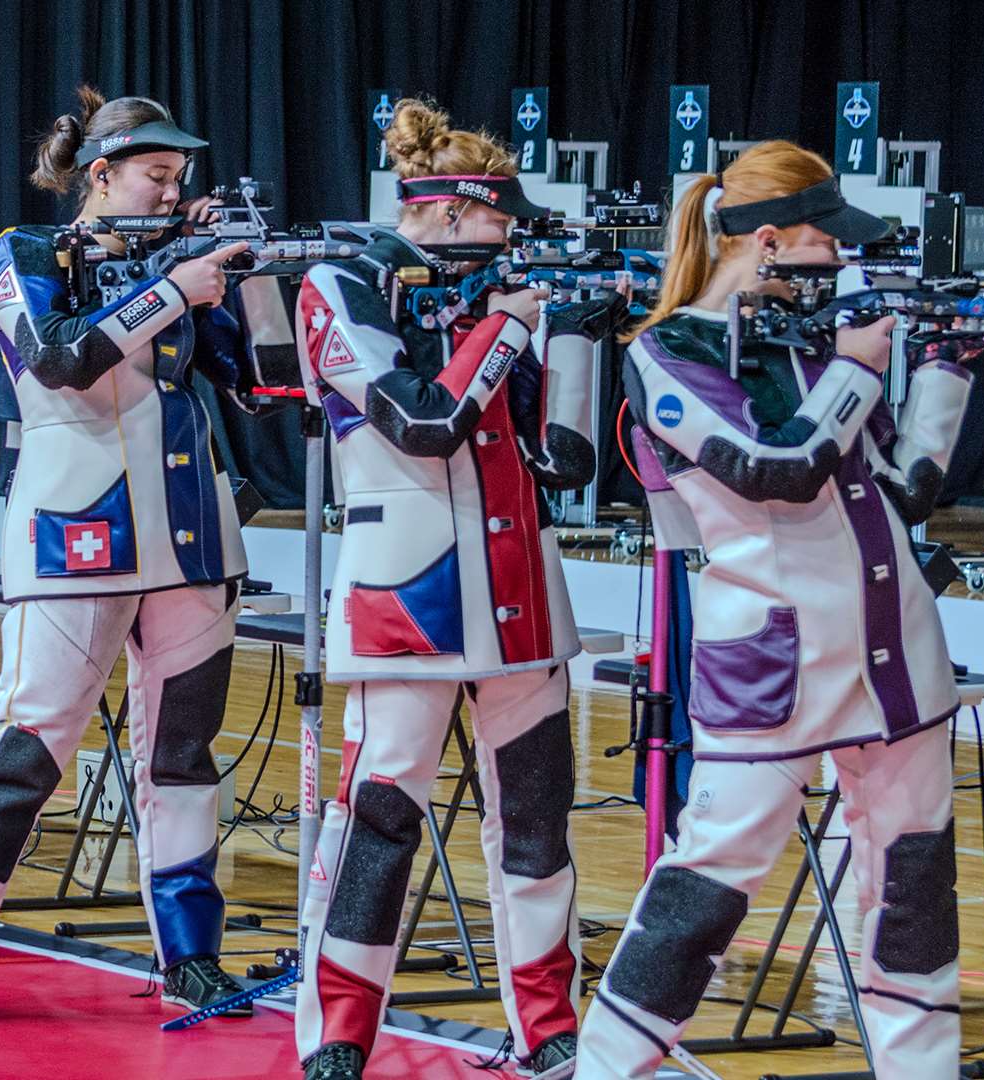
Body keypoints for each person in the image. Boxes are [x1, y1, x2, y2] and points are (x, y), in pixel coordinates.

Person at [573, 141, 983, 1078]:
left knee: (914, 891)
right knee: (704, 892)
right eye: (826, 241)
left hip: (896, 654)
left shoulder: (811, 344)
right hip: (773, 669)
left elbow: (903, 491)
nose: (839, 260)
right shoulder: (666, 352)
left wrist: (947, 368)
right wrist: (857, 370)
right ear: (768, 241)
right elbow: (775, 470)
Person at [0, 86, 292, 1032]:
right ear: (100, 175)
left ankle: (191, 959)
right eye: (157, 175)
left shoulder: (180, 261)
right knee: (26, 749)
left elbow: (268, 383)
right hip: (75, 534)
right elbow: (59, 359)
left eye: (179, 177)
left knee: (183, 760)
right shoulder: (25, 250)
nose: (172, 193)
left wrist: (249, 272)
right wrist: (175, 288)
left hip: (192, 535)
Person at [291, 99, 623, 1080]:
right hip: (410, 594)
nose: (510, 241)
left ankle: (547, 1028)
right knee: (379, 821)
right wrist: (509, 325)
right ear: (444, 212)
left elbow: (563, 461)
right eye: (498, 222)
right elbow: (424, 422)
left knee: (537, 824)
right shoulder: (341, 283)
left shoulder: (491, 301)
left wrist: (576, 335)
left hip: (523, 597)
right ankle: (337, 1034)